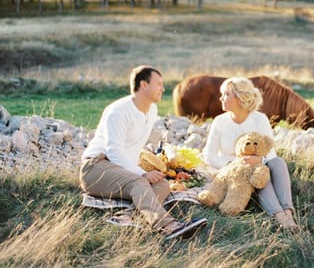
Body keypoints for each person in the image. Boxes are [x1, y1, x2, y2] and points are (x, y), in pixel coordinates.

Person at [79, 65, 207, 240]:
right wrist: (142, 174)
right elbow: (114, 150)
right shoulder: (118, 111)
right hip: (96, 168)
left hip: (119, 170)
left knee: (162, 184)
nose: (163, 89)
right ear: (143, 85)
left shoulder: (152, 110)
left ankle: (126, 217)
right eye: (159, 84)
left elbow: (139, 146)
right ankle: (169, 226)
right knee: (139, 182)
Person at [202, 77, 298, 229]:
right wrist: (232, 164)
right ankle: (280, 217)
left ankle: (288, 212)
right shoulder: (220, 122)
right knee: (254, 174)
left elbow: (270, 150)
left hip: (258, 165)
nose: (221, 98)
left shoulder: (259, 119)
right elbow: (209, 155)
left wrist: (260, 160)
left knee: (277, 162)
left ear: (240, 98)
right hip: (233, 173)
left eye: (226, 94)